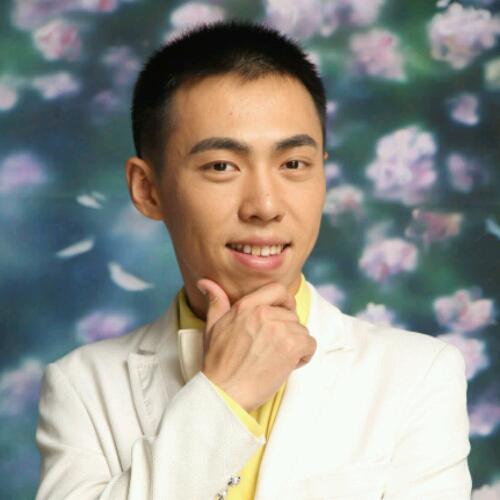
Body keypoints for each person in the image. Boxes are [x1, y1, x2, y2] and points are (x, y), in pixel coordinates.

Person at [35, 20, 472, 499]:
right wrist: (224, 396)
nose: (264, 205)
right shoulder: (83, 386)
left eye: (293, 164)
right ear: (148, 189)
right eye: (222, 166)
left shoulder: (418, 374)